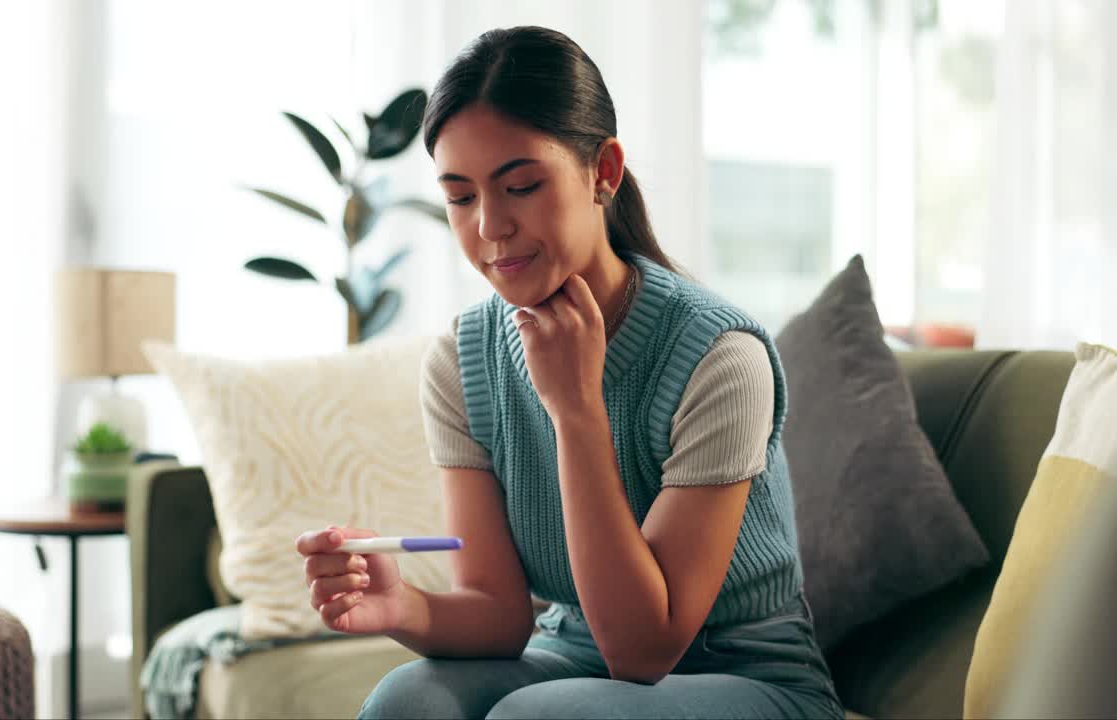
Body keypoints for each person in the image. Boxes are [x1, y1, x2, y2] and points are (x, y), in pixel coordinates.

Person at [295, 25, 844, 720]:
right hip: (573, 654)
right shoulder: (462, 364)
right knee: (406, 702)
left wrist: (577, 409)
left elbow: (643, 651)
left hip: (750, 673)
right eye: (460, 197)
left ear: (603, 173)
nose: (491, 226)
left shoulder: (719, 358)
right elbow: (499, 613)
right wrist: (404, 606)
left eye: (520, 186)